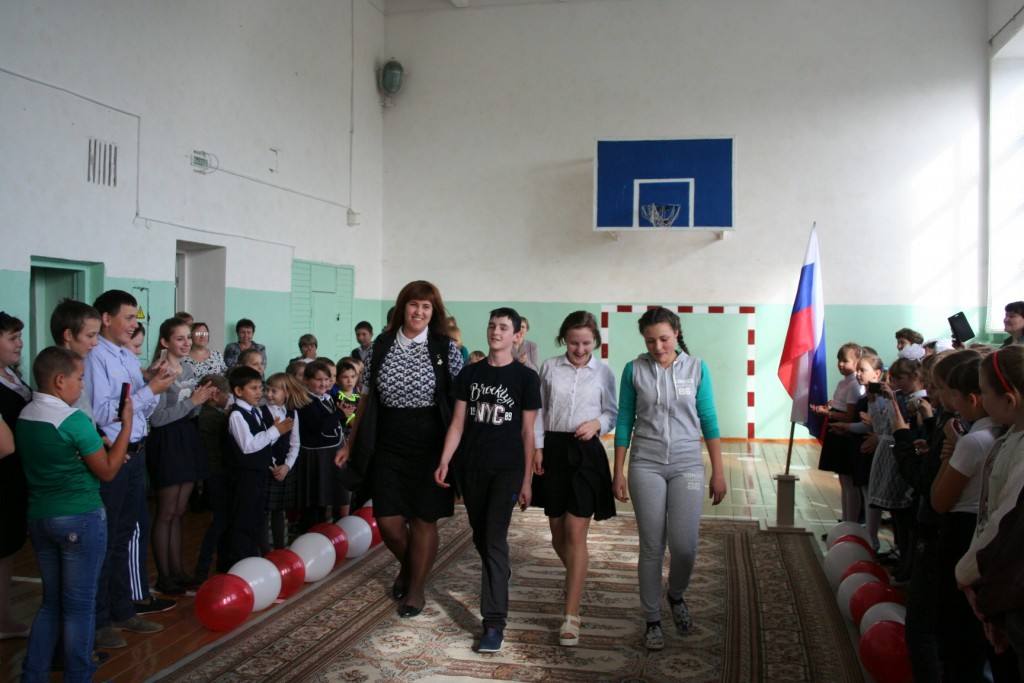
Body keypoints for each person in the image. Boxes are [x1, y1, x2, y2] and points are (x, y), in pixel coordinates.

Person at [336, 280, 464, 619]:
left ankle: (416, 588)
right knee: (388, 520)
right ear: (403, 307)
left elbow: (459, 403)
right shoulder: (381, 345)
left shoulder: (444, 347)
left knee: (423, 517)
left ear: (434, 312)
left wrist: (455, 450)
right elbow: (365, 398)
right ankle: (410, 567)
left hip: (431, 441)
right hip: (388, 439)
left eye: (426, 306)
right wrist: (350, 443)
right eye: (413, 304)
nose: (419, 312)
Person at [612, 307, 726, 651]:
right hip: (645, 464)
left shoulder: (697, 368)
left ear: (676, 333)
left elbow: (709, 418)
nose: (658, 347)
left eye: (663, 339)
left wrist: (718, 471)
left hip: (687, 465)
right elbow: (624, 420)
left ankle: (675, 594)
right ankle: (652, 619)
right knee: (652, 546)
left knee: (684, 546)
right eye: (650, 341)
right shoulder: (634, 370)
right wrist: (618, 471)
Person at [17, 347, 133, 683]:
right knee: (80, 605)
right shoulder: (73, 420)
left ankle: (33, 675)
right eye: (79, 379)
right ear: (59, 380)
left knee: (51, 603)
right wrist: (126, 426)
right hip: (79, 516)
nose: (82, 386)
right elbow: (108, 471)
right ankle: (79, 675)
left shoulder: (25, 416)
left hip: (41, 516)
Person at [434, 307, 541, 654]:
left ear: (516, 335)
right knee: (481, 535)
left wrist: (527, 480)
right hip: (472, 468)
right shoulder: (470, 374)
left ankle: (493, 623)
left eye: (504, 327)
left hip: (507, 470)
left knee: (493, 538)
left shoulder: (526, 379)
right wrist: (445, 460)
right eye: (492, 325)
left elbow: (527, 432)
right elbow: (458, 424)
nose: (496, 331)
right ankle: (500, 570)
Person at [87, 290, 174, 649]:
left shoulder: (125, 354)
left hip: (136, 451)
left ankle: (122, 608)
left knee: (124, 534)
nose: (133, 325)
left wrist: (153, 385)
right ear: (106, 319)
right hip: (114, 454)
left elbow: (141, 409)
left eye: (135, 318)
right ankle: (99, 619)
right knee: (106, 538)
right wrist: (149, 389)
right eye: (127, 317)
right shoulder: (96, 357)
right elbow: (101, 411)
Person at [532, 310, 618, 647]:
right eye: (573, 343)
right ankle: (577, 575)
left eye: (586, 343)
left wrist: (597, 424)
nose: (580, 349)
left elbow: (612, 412)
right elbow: (538, 411)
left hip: (586, 454)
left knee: (575, 531)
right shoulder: (549, 368)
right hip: (553, 451)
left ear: (594, 340)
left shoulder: (604, 372)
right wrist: (537, 448)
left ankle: (571, 614)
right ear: (563, 340)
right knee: (557, 532)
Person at [929, 352, 1005, 679]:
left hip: (961, 532)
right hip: (985, 531)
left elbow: (939, 500)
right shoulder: (1003, 434)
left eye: (955, 397)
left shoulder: (973, 441)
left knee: (957, 628)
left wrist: (948, 454)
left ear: (973, 399)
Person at [956, 346, 1024, 674]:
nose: (981, 400)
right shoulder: (1011, 435)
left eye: (984, 392)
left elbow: (1004, 519)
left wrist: (965, 573)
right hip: (997, 577)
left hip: (1010, 582)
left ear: (1009, 400)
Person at [146, 318, 217, 594]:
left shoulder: (187, 367)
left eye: (189, 337)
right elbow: (157, 418)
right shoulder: (160, 370)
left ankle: (177, 571)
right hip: (166, 440)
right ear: (165, 342)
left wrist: (202, 399)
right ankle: (164, 575)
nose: (187, 342)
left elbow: (190, 408)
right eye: (180, 338)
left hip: (186, 435)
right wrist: (192, 402)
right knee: (166, 511)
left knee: (179, 511)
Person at [219, 366, 293, 570]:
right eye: (253, 388)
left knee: (255, 520)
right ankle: (239, 565)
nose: (259, 393)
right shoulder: (237, 415)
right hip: (244, 476)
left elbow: (262, 442)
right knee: (243, 521)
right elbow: (248, 446)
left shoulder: (255, 411)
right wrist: (273, 431)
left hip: (258, 474)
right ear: (238, 391)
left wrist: (275, 434)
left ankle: (252, 562)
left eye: (260, 387)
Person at [0, 311, 30, 641]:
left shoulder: (12, 375)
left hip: (16, 475)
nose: (19, 344)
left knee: (7, 549)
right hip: (4, 474)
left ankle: (3, 617)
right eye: (12, 338)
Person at [813, 342, 866, 522]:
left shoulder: (854, 385)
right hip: (837, 430)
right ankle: (845, 520)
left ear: (857, 362)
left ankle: (852, 522)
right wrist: (830, 409)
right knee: (844, 482)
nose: (840, 364)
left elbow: (850, 416)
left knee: (850, 483)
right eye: (839, 360)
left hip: (845, 434)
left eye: (845, 361)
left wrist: (828, 413)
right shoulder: (844, 382)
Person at [296, 361, 346, 530]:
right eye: (318, 380)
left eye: (326, 379)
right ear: (306, 380)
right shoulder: (306, 400)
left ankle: (322, 530)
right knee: (314, 499)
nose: (324, 383)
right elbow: (317, 426)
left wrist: (343, 414)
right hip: (315, 456)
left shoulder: (327, 397)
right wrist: (340, 413)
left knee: (324, 499)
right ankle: (309, 531)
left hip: (328, 453)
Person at [193, 374, 231, 581]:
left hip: (218, 472)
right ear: (214, 395)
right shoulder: (211, 417)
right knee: (220, 520)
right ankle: (202, 567)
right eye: (227, 394)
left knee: (223, 520)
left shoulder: (213, 414)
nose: (229, 397)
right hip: (217, 473)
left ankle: (221, 562)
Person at [264, 372, 307, 551]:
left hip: (284, 467)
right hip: (268, 467)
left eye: (274, 391)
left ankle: (280, 549)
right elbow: (263, 442)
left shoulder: (292, 413)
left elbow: (295, 443)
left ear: (286, 392)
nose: (268, 394)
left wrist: (287, 466)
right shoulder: (261, 412)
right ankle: (265, 551)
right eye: (267, 389)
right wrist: (274, 466)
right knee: (263, 511)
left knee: (279, 511)